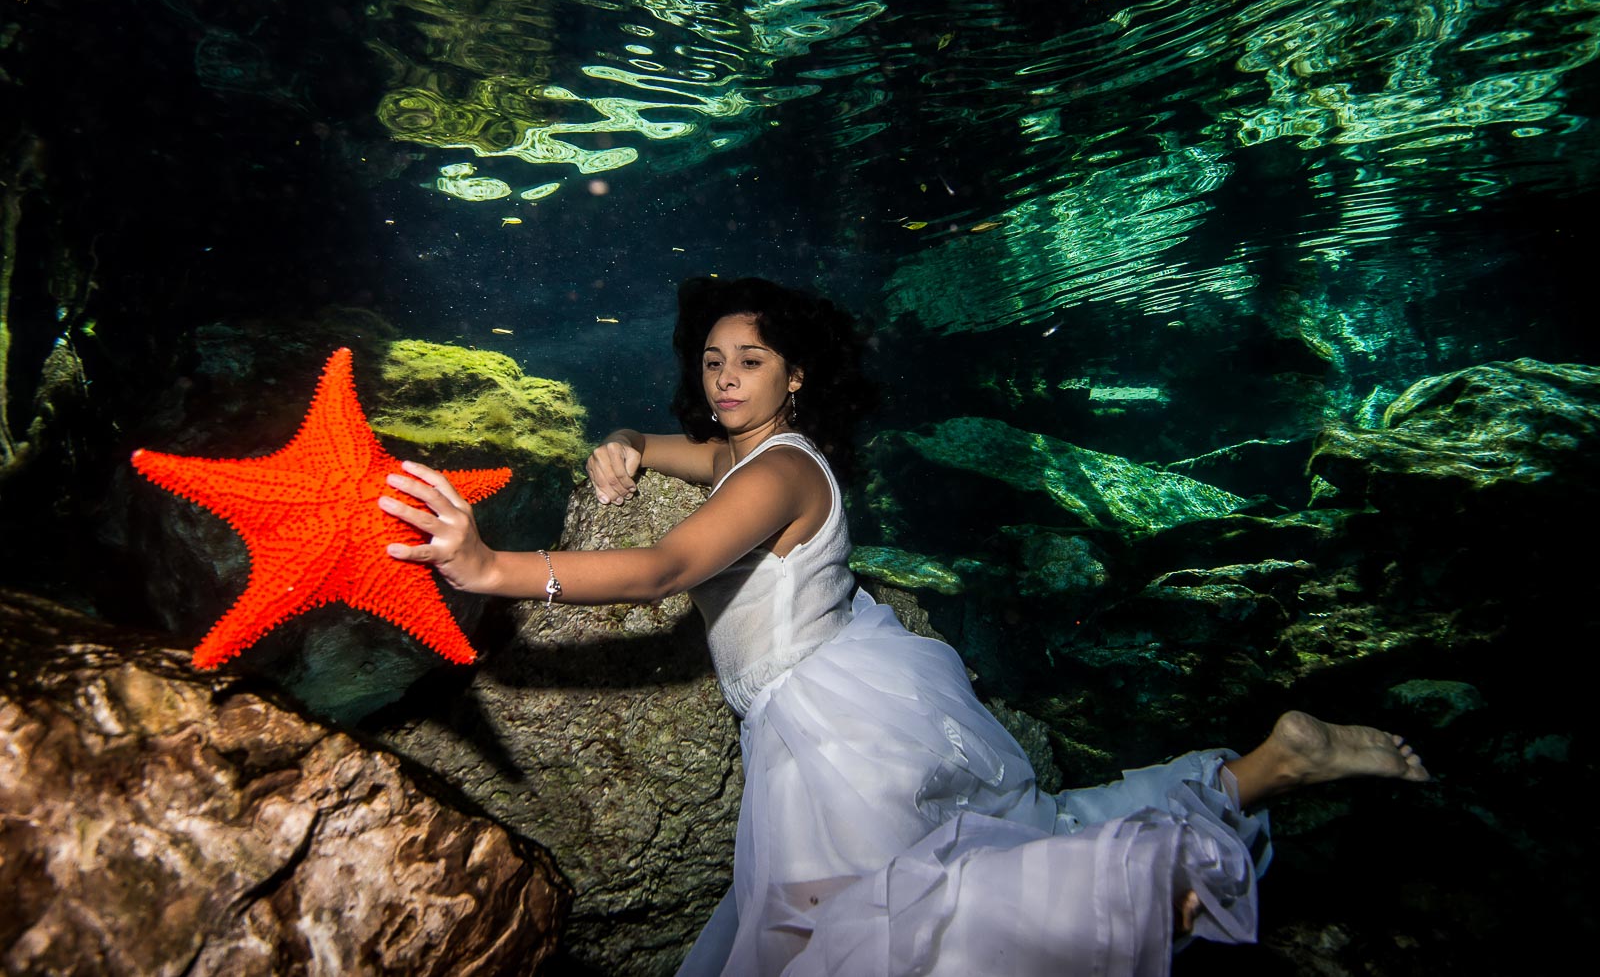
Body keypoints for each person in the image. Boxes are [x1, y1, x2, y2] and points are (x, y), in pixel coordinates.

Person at [381, 276, 1429, 976]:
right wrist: (622, 441)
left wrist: (486, 567)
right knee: (982, 870)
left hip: (830, 729)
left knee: (906, 935)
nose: (724, 379)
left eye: (749, 361)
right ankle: (1249, 776)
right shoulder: (750, 452)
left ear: (795, 375)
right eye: (710, 360)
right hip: (847, 686)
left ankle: (1199, 842)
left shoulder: (781, 468)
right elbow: (679, 450)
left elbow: (664, 567)